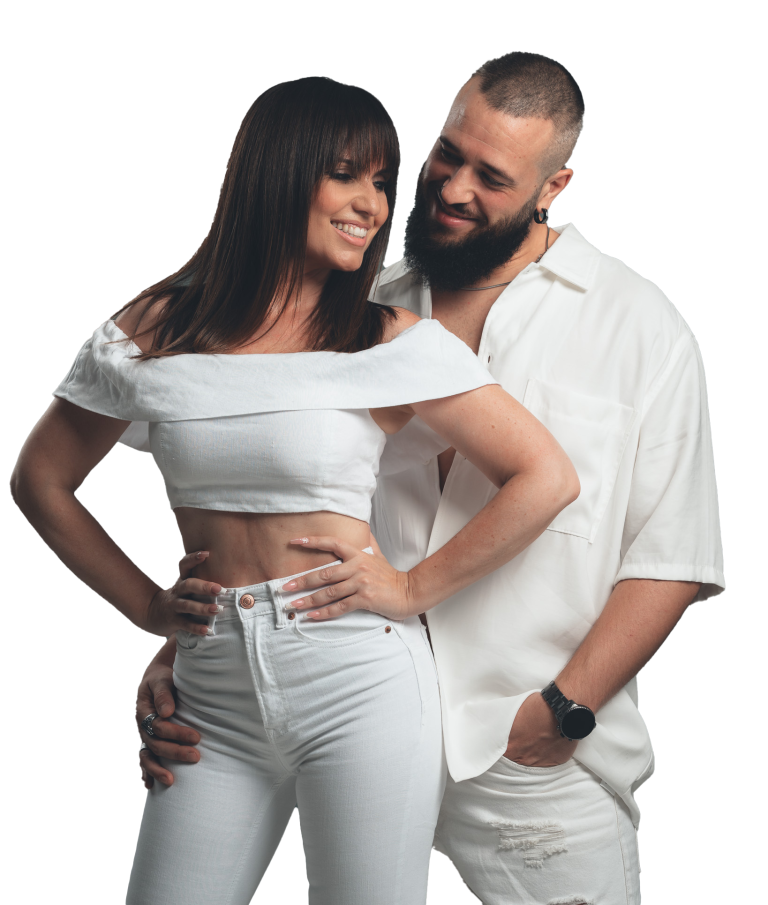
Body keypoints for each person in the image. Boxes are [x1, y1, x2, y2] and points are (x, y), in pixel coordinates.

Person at [133, 53, 724, 904]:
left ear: (552, 187)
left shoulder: (640, 327)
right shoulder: (354, 302)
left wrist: (562, 712)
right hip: (343, 718)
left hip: (525, 755)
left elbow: (671, 558)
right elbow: (281, 500)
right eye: (448, 152)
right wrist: (191, 651)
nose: (452, 187)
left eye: (492, 177)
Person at [9, 75, 578, 905]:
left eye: (382, 181)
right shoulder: (155, 327)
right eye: (346, 175)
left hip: (358, 681)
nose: (372, 205)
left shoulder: (387, 341)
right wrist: (146, 608)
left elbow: (546, 477)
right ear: (277, 171)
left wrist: (412, 588)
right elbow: (41, 480)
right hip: (210, 689)